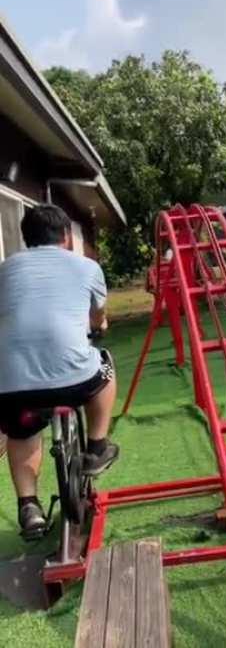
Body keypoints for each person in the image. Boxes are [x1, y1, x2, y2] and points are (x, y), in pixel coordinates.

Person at [0, 204, 119, 539]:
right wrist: (100, 326)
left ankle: (30, 507)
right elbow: (98, 318)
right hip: (74, 380)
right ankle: (96, 447)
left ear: (26, 240)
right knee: (105, 365)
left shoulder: (4, 270)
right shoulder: (87, 267)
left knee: (22, 432)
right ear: (66, 236)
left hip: (11, 383)